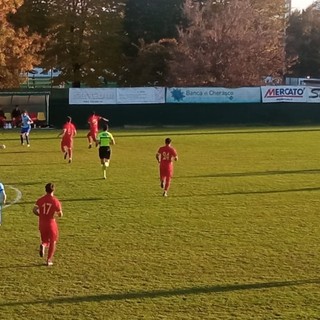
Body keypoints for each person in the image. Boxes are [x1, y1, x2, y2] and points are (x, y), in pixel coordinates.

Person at [33, 183, 63, 266]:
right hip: (51, 223)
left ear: (45, 190)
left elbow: (34, 210)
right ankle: (49, 260)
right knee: (53, 241)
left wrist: (40, 214)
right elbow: (60, 214)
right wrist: (55, 215)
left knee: (45, 240)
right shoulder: (55, 201)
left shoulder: (40, 200)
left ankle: (43, 245)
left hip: (42, 223)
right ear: (53, 190)